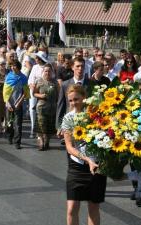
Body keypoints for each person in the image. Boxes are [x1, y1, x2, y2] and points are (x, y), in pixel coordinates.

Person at [61, 84, 106, 225]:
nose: (74, 103)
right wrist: (86, 159)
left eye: (76, 99)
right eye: (71, 100)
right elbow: (69, 147)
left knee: (93, 208)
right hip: (77, 166)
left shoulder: (95, 115)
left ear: (84, 98)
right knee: (71, 209)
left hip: (97, 165)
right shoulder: (68, 118)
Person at [56, 57, 90, 133]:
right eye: (77, 66)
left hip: (86, 122)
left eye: (82, 66)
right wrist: (59, 126)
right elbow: (61, 105)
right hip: (70, 121)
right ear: (72, 67)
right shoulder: (65, 85)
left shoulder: (90, 84)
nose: (80, 68)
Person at [3, 61, 30, 149]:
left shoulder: (23, 78)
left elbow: (25, 92)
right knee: (9, 122)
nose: (13, 68)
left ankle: (17, 142)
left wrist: (19, 102)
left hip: (18, 104)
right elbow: (5, 91)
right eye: (11, 66)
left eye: (14, 66)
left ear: (18, 67)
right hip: (9, 103)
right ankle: (9, 136)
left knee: (18, 124)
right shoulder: (9, 77)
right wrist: (7, 103)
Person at [33, 64, 59, 151]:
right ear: (43, 72)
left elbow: (58, 95)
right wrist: (41, 95)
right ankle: (41, 142)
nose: (47, 73)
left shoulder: (55, 82)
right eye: (46, 71)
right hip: (41, 107)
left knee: (49, 127)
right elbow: (34, 93)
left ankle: (47, 141)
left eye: (49, 71)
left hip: (52, 108)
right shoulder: (39, 81)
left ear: (52, 72)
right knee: (41, 126)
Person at [28, 51, 48, 138]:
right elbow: (30, 78)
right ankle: (33, 128)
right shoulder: (35, 67)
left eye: (37, 58)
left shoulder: (47, 67)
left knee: (42, 110)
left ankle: (42, 130)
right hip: (33, 91)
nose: (35, 59)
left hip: (43, 91)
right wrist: (31, 84)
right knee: (32, 109)